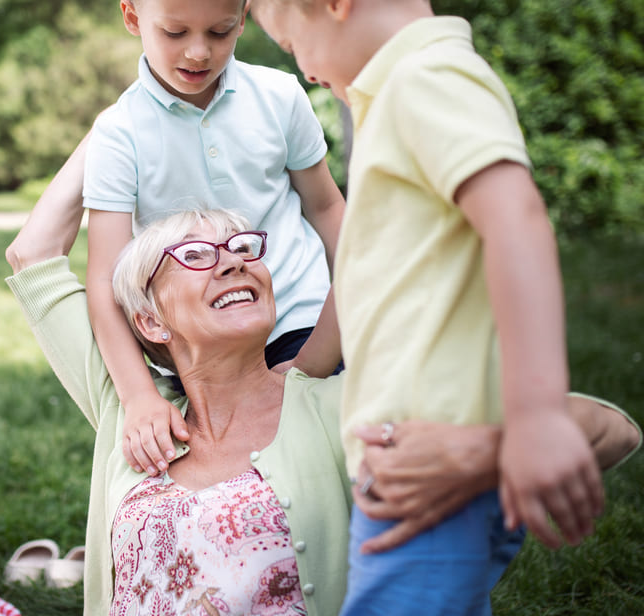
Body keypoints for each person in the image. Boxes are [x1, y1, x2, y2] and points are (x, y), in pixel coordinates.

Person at [5, 208, 641, 616]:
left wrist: (492, 449)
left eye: (243, 248)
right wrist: (134, 111)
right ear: (147, 320)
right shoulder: (132, 411)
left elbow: (611, 429)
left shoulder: (338, 411)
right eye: (195, 255)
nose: (232, 258)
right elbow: (33, 251)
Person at [248, 1, 613, 613]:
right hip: (414, 466)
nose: (304, 69)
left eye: (292, 43)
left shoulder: (426, 78)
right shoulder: (399, 93)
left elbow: (516, 221)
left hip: (430, 471)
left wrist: (536, 415)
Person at [6, 0, 346, 480]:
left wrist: (318, 355)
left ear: (243, 18)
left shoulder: (279, 95)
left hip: (302, 320)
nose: (198, 52)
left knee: (322, 472)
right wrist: (139, 395)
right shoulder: (119, 133)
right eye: (174, 32)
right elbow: (104, 279)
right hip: (199, 346)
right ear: (131, 17)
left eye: (220, 32)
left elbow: (328, 207)